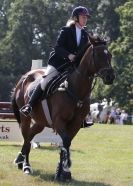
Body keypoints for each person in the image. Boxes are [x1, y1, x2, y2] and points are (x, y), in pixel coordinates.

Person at [20, 6, 91, 117]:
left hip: (72, 66)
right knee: (45, 81)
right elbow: (57, 47)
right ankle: (29, 106)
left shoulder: (85, 35)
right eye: (83, 17)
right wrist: (69, 55)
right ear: (76, 18)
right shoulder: (66, 30)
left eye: (86, 17)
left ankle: (81, 117)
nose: (85, 19)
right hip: (58, 63)